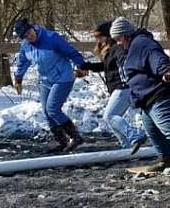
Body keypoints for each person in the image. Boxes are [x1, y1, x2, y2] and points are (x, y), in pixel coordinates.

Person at [111, 16, 170, 181]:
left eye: (117, 39)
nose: (117, 43)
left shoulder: (142, 44)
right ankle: (165, 159)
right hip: (149, 96)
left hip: (162, 92)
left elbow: (157, 58)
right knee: (151, 127)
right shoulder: (132, 47)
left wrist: (166, 71)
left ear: (124, 36)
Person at [12, 18, 90, 153]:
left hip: (63, 77)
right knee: (47, 112)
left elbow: (69, 51)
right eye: (25, 36)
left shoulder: (51, 38)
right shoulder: (26, 46)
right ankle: (62, 142)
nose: (29, 36)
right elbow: (23, 62)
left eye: (29, 32)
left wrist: (81, 65)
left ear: (33, 28)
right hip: (45, 80)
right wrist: (18, 78)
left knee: (53, 108)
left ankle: (75, 137)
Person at [84, 21, 148, 151]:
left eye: (99, 36)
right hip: (118, 87)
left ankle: (135, 135)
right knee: (111, 119)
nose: (97, 40)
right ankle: (126, 148)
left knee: (110, 116)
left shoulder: (117, 48)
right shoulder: (109, 50)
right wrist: (88, 66)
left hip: (123, 87)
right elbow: (106, 67)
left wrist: (126, 72)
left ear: (107, 36)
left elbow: (123, 60)